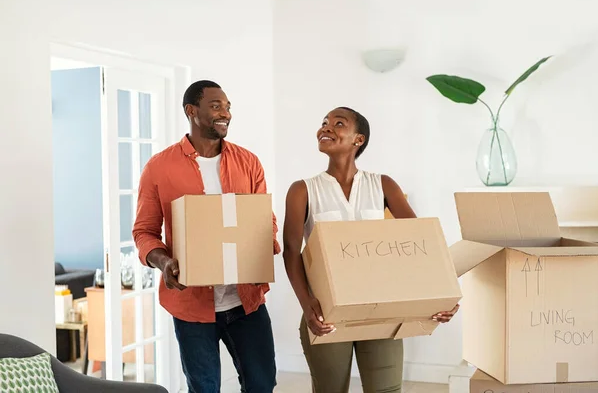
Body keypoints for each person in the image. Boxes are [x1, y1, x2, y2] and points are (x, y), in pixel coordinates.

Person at [282, 106, 459, 393]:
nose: (326, 127)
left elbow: (421, 244)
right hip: (328, 314)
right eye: (324, 123)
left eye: (338, 123)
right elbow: (291, 252)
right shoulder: (302, 190)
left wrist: (439, 296)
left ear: (358, 140)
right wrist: (306, 303)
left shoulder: (383, 185)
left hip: (381, 312)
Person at [133, 80, 280, 393]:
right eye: (216, 106)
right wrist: (164, 262)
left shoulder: (248, 162)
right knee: (204, 387)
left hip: (245, 300)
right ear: (192, 111)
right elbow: (144, 231)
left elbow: (263, 218)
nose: (225, 113)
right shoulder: (159, 168)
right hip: (191, 304)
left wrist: (267, 245)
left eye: (227, 107)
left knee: (262, 384)